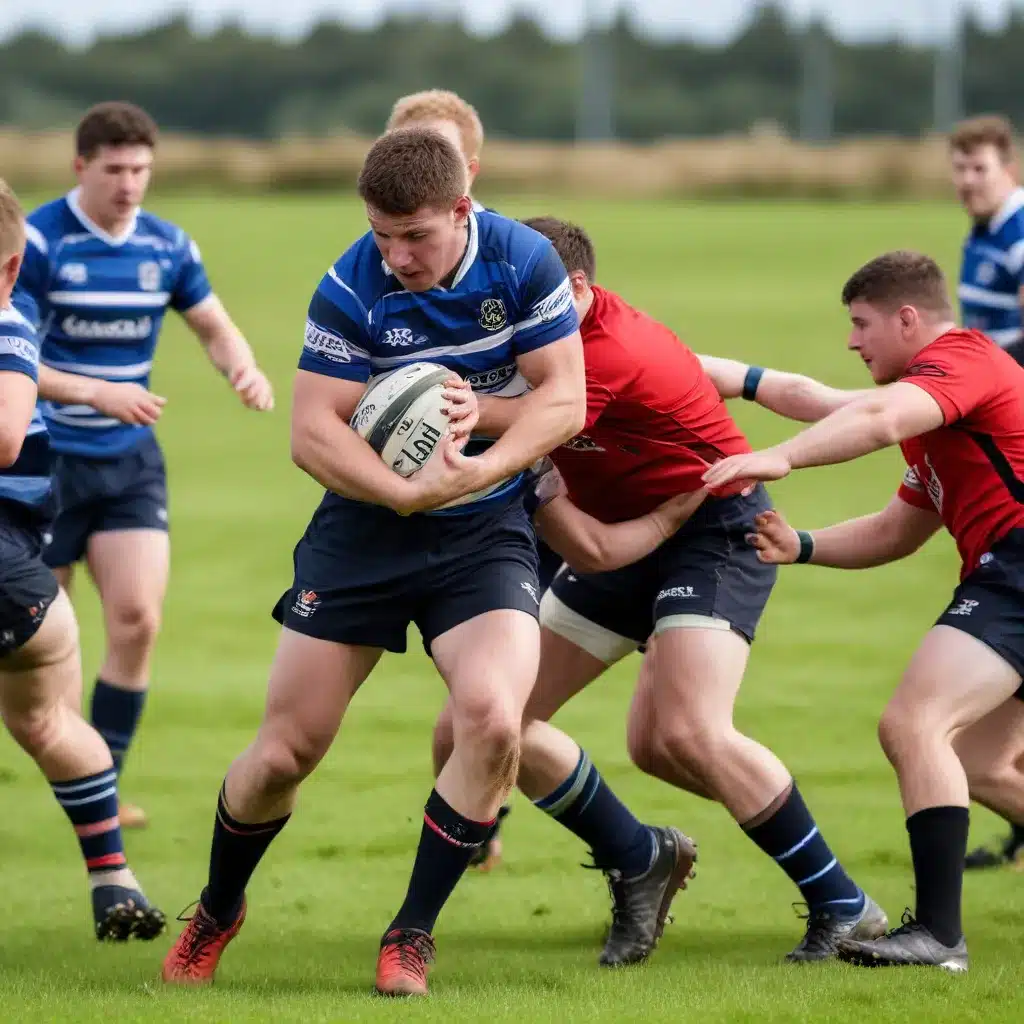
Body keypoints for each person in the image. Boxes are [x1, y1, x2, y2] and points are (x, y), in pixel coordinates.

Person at [161, 128, 587, 996]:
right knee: (284, 754)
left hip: (483, 532)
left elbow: (565, 398)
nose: (397, 256)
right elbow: (310, 432)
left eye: (415, 236)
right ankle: (216, 909)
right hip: (363, 530)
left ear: (462, 209)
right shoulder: (351, 283)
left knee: (492, 721)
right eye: (382, 234)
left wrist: (480, 474)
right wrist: (403, 494)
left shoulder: (523, 261)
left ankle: (410, 934)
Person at [432, 217, 885, 967]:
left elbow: (527, 424)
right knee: (477, 725)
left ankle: (843, 903)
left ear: (576, 288)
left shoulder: (609, 351)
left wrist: (437, 409)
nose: (512, 313)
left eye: (527, 295)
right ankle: (638, 855)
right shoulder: (543, 339)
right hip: (624, 537)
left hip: (715, 527)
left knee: (689, 732)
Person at [703, 249, 1024, 971]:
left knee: (915, 724)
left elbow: (875, 417)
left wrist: (783, 457)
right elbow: (896, 530)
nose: (852, 342)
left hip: (1017, 567)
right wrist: (802, 545)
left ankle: (938, 936)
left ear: (908, 319)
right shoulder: (938, 417)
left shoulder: (964, 361)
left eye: (861, 324)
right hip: (1009, 572)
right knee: (981, 763)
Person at [14, 102, 274, 831]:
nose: (129, 184)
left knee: (136, 620)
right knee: (44, 640)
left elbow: (212, 324)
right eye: (115, 169)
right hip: (46, 464)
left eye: (141, 170)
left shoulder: (167, 244)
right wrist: (96, 391)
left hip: (129, 464)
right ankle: (70, 773)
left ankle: (106, 782)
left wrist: (242, 367)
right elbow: (15, 357)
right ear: (81, 167)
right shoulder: (38, 241)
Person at [0, 178, 165, 941]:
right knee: (45, 721)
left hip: (12, 576)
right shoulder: (14, 323)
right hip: (29, 591)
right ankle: (113, 880)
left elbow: (6, 436)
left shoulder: (8, 329)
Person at [947, 114, 1024, 868]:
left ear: (1010, 168)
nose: (967, 181)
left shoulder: (1020, 233)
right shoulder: (983, 234)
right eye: (960, 168)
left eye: (981, 169)